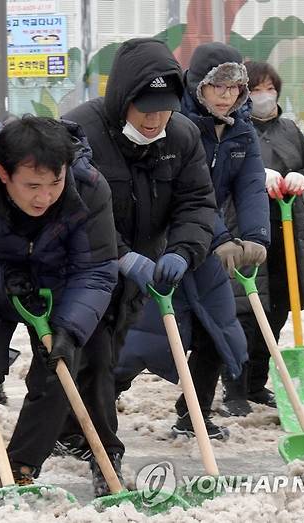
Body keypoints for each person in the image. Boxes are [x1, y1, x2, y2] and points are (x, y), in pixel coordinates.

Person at [56, 38, 218, 496]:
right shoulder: (80, 131)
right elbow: (72, 208)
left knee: (103, 353)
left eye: (164, 110)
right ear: (122, 99)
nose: (154, 121)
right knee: (98, 355)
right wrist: (119, 255)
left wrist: (183, 251)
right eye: (145, 110)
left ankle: (72, 431)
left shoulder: (182, 136)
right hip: (81, 267)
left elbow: (197, 203)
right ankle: (106, 455)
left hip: (142, 270)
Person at [0, 115, 118, 497]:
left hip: (58, 290)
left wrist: (71, 327)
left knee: (58, 370)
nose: (44, 197)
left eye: (54, 184)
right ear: (3, 173)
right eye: (32, 186)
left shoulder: (90, 189)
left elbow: (96, 269)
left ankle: (22, 465)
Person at [113, 42, 271, 443]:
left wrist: (253, 237)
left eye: (235, 88)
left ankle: (194, 414)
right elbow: (190, 196)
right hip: (168, 243)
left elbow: (252, 186)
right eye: (218, 86)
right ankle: (89, 409)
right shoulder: (176, 124)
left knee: (216, 331)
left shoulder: (242, 130)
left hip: (207, 249)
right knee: (143, 337)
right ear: (198, 85)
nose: (227, 96)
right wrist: (218, 237)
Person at [219, 61, 304, 416]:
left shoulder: (289, 129)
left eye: (270, 89)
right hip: (245, 233)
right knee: (244, 315)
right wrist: (253, 176)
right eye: (257, 90)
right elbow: (215, 179)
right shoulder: (231, 130)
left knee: (276, 312)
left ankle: (255, 384)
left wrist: (301, 176)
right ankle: (233, 388)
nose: (264, 97)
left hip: (286, 236)